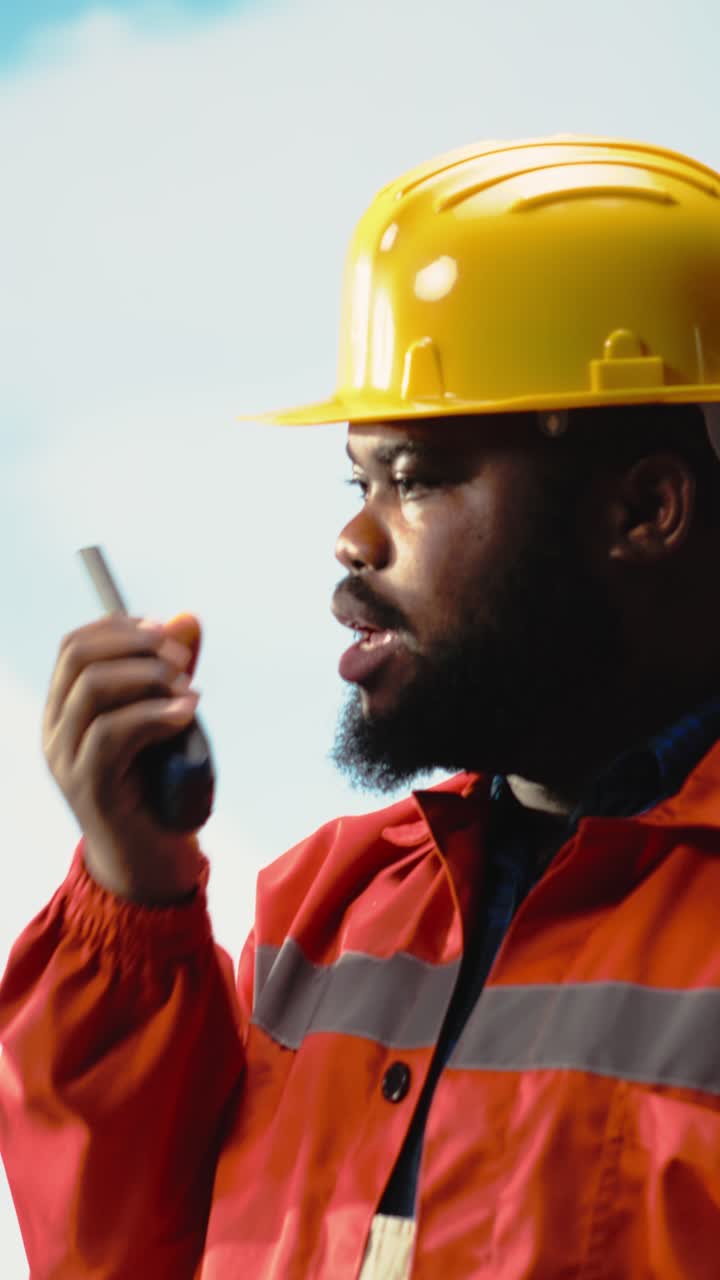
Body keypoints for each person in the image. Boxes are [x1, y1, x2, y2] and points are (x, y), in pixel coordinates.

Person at [2, 134, 720, 1280]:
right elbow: (124, 1254)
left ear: (644, 509)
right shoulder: (324, 916)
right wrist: (135, 893)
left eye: (418, 477)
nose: (352, 536)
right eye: (359, 478)